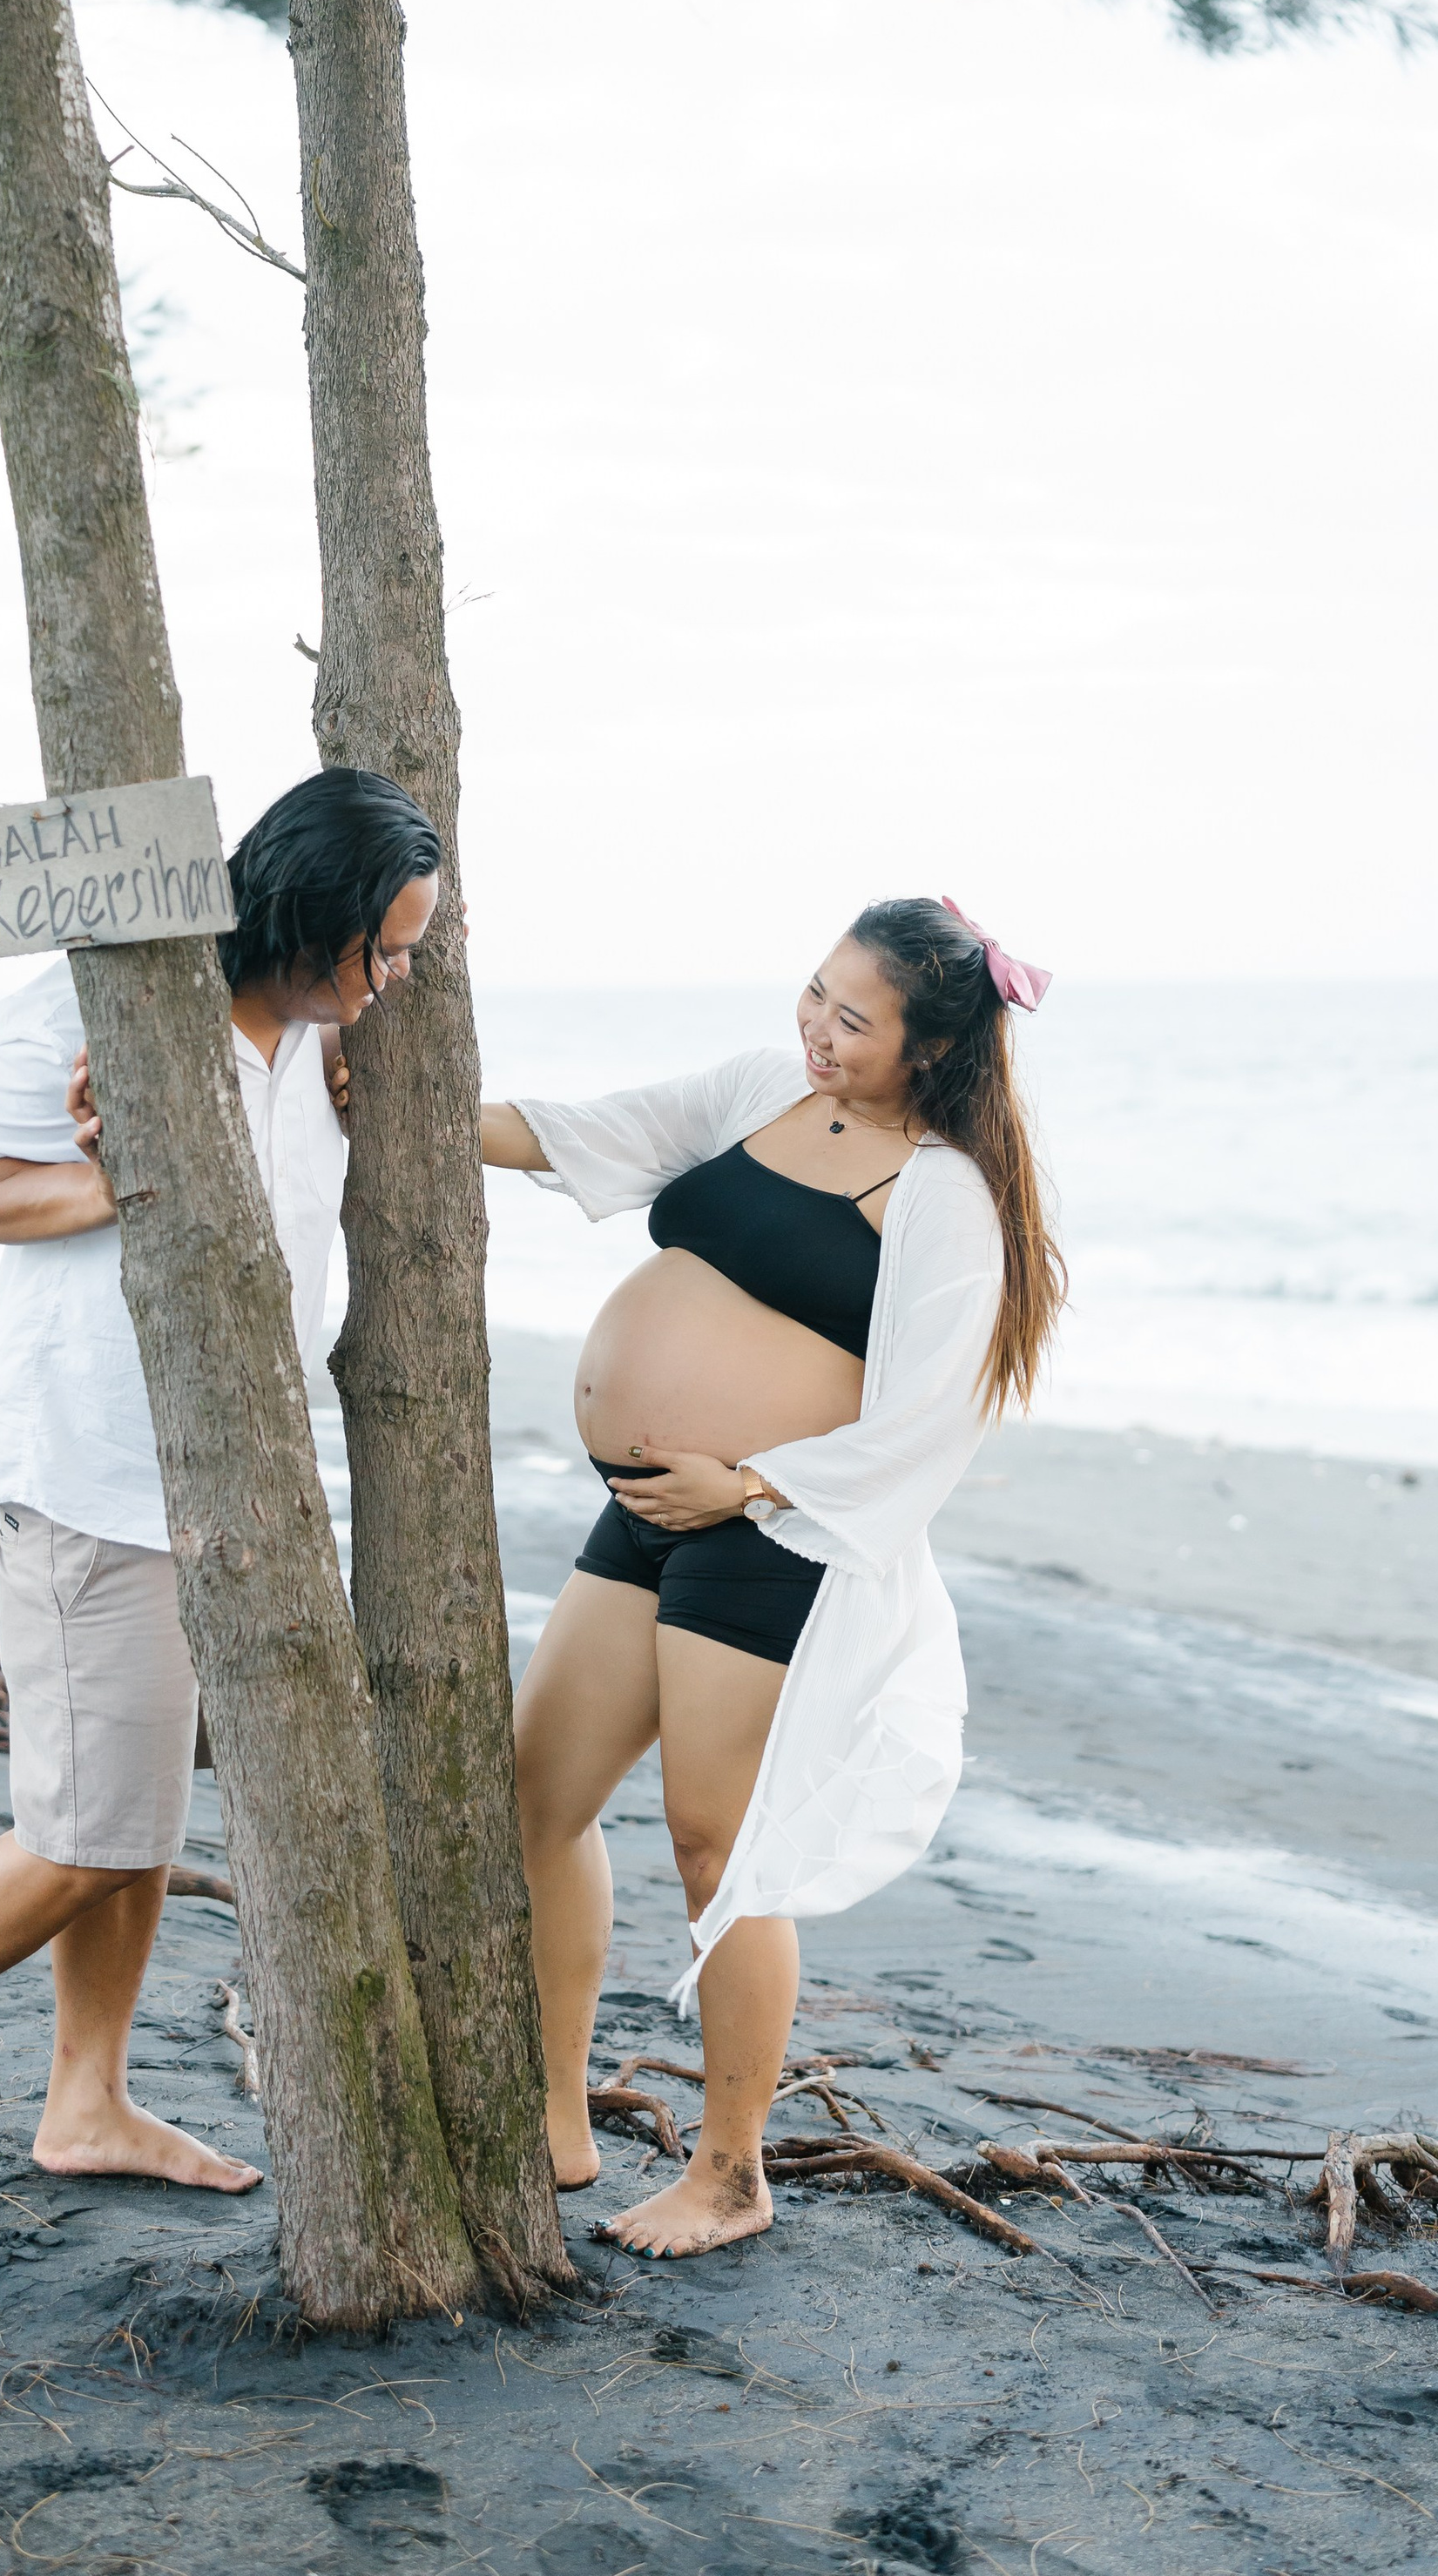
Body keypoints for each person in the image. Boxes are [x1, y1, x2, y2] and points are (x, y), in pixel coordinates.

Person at [0, 765, 442, 2180]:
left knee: (140, 1816)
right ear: (307, 917)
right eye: (385, 944)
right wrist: (126, 1181)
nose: (400, 974)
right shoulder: (108, 1006)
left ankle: (86, 2103)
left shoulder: (308, 1031)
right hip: (97, 1468)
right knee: (89, 1830)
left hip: (227, 1481)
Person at [483, 895, 1063, 2260]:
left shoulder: (947, 1201)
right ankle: (555, 2116)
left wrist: (744, 1483)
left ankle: (733, 2170)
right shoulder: (761, 1088)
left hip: (771, 1534)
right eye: (815, 992)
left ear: (928, 1050)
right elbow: (590, 1131)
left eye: (853, 1020)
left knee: (716, 1849)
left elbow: (934, 1417)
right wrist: (381, 1092)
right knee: (535, 1796)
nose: (817, 1027)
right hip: (644, 1510)